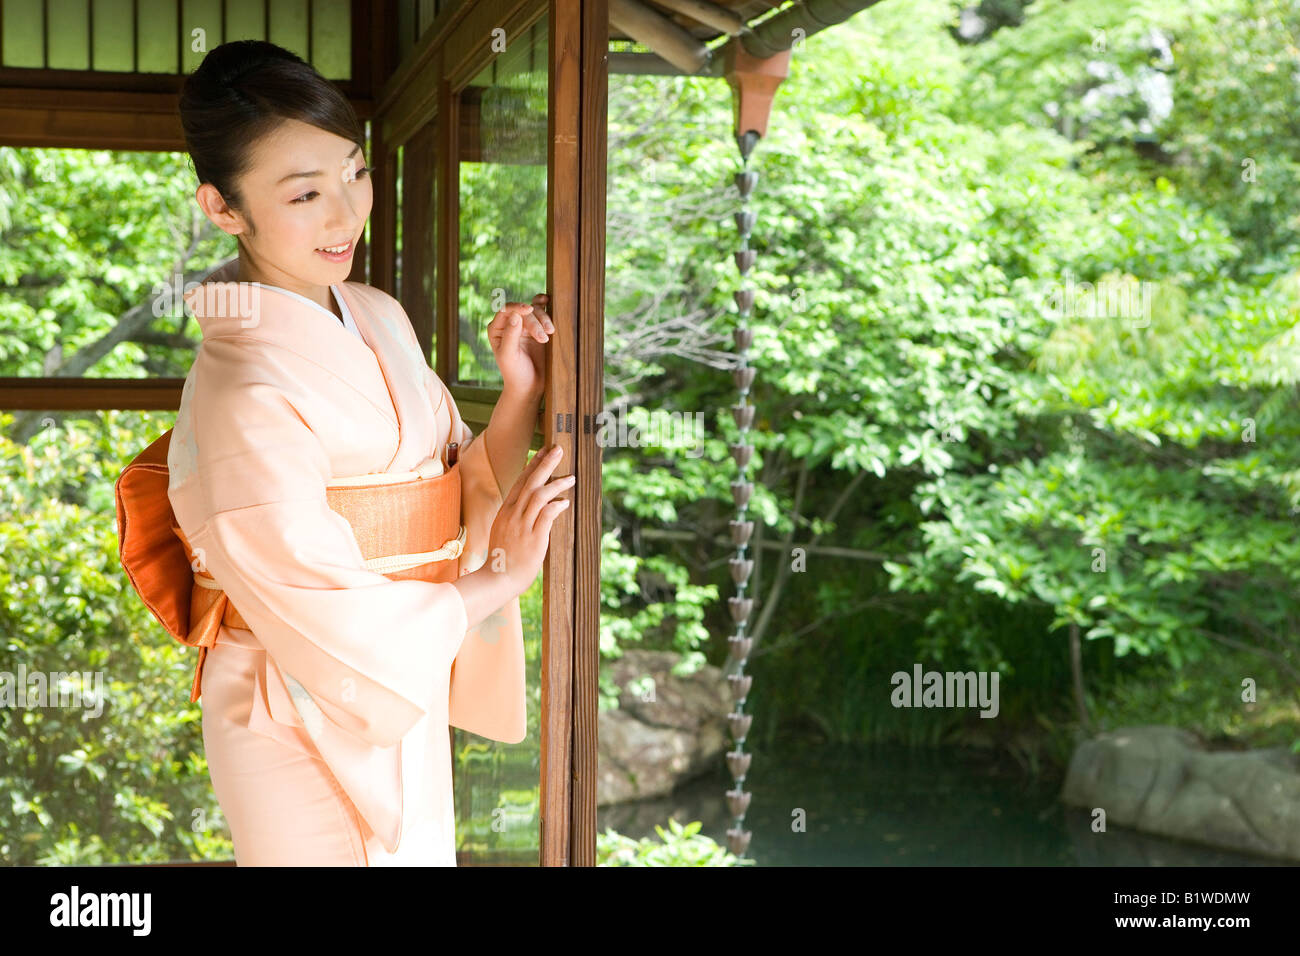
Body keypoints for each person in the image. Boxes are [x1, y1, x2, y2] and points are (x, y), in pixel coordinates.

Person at [167, 39, 571, 865]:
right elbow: (311, 598)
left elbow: (451, 480)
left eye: (353, 172)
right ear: (223, 207)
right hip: (293, 693)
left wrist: (522, 390)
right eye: (305, 193)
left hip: (392, 673)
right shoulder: (242, 386)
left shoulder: (376, 313)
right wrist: (498, 578)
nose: (345, 213)